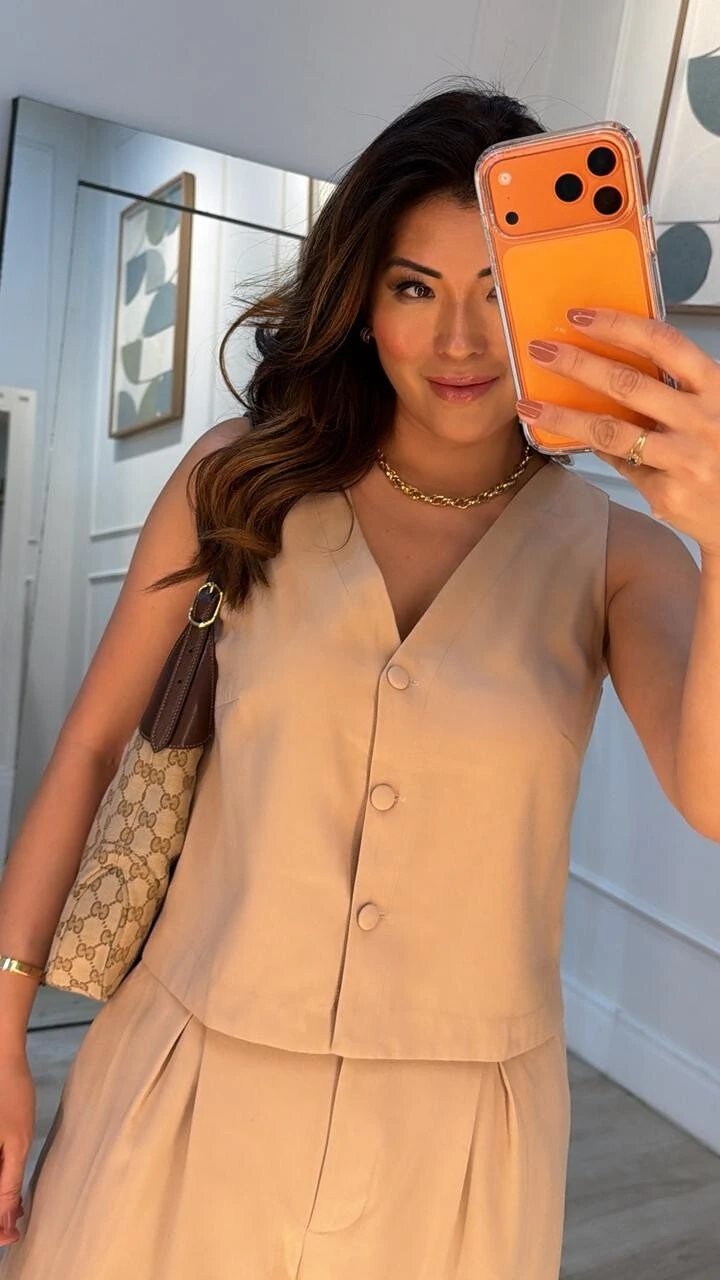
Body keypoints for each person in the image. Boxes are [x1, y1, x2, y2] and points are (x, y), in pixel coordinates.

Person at [1, 80, 718, 1280]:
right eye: (415, 287)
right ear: (362, 301)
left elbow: (712, 796)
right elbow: (90, 746)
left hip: (457, 1151)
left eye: (500, 292)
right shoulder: (240, 480)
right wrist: (3, 1022)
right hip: (180, 1088)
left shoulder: (622, 557)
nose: (461, 341)